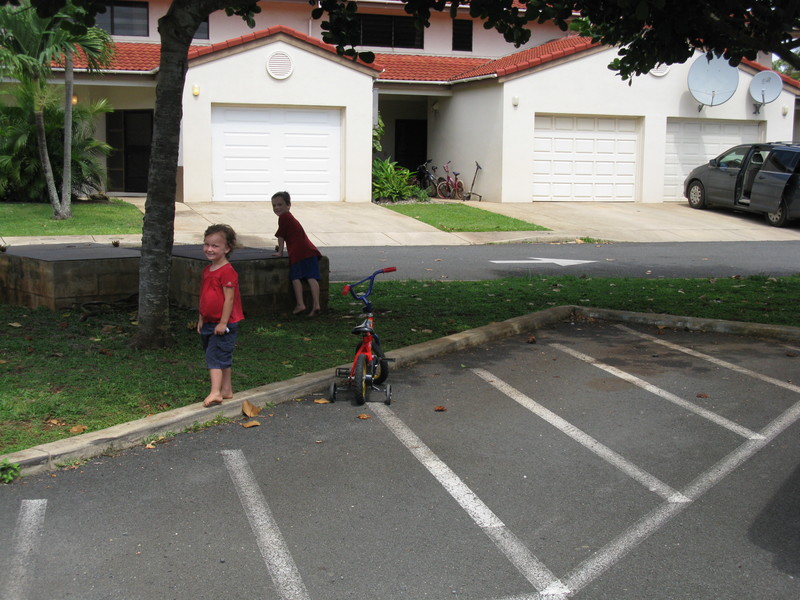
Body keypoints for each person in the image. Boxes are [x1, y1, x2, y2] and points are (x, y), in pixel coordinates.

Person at [197, 224, 245, 407]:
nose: (209, 249)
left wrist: (222, 322)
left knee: (214, 357)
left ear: (227, 248)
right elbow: (204, 296)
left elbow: (229, 300)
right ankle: (226, 389)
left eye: (215, 245)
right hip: (209, 322)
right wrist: (201, 317)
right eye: (206, 244)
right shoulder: (207, 270)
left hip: (223, 324)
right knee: (220, 357)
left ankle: (215, 392)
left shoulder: (227, 271)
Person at [271, 190, 322, 316]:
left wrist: (280, 252)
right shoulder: (290, 217)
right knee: (311, 277)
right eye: (274, 205)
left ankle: (300, 304)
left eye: (280, 204)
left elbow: (281, 235)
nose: (277, 207)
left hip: (299, 253)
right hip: (309, 250)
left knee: (295, 277)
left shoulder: (284, 217)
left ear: (288, 205)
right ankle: (316, 304)